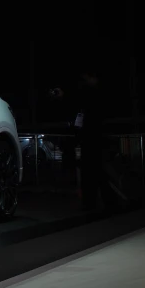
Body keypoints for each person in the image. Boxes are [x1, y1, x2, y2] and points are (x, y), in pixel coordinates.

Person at [49, 67, 106, 212]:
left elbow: (78, 103)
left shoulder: (93, 96)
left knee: (92, 173)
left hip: (91, 138)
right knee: (93, 172)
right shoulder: (91, 96)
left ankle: (92, 203)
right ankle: (93, 203)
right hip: (90, 138)